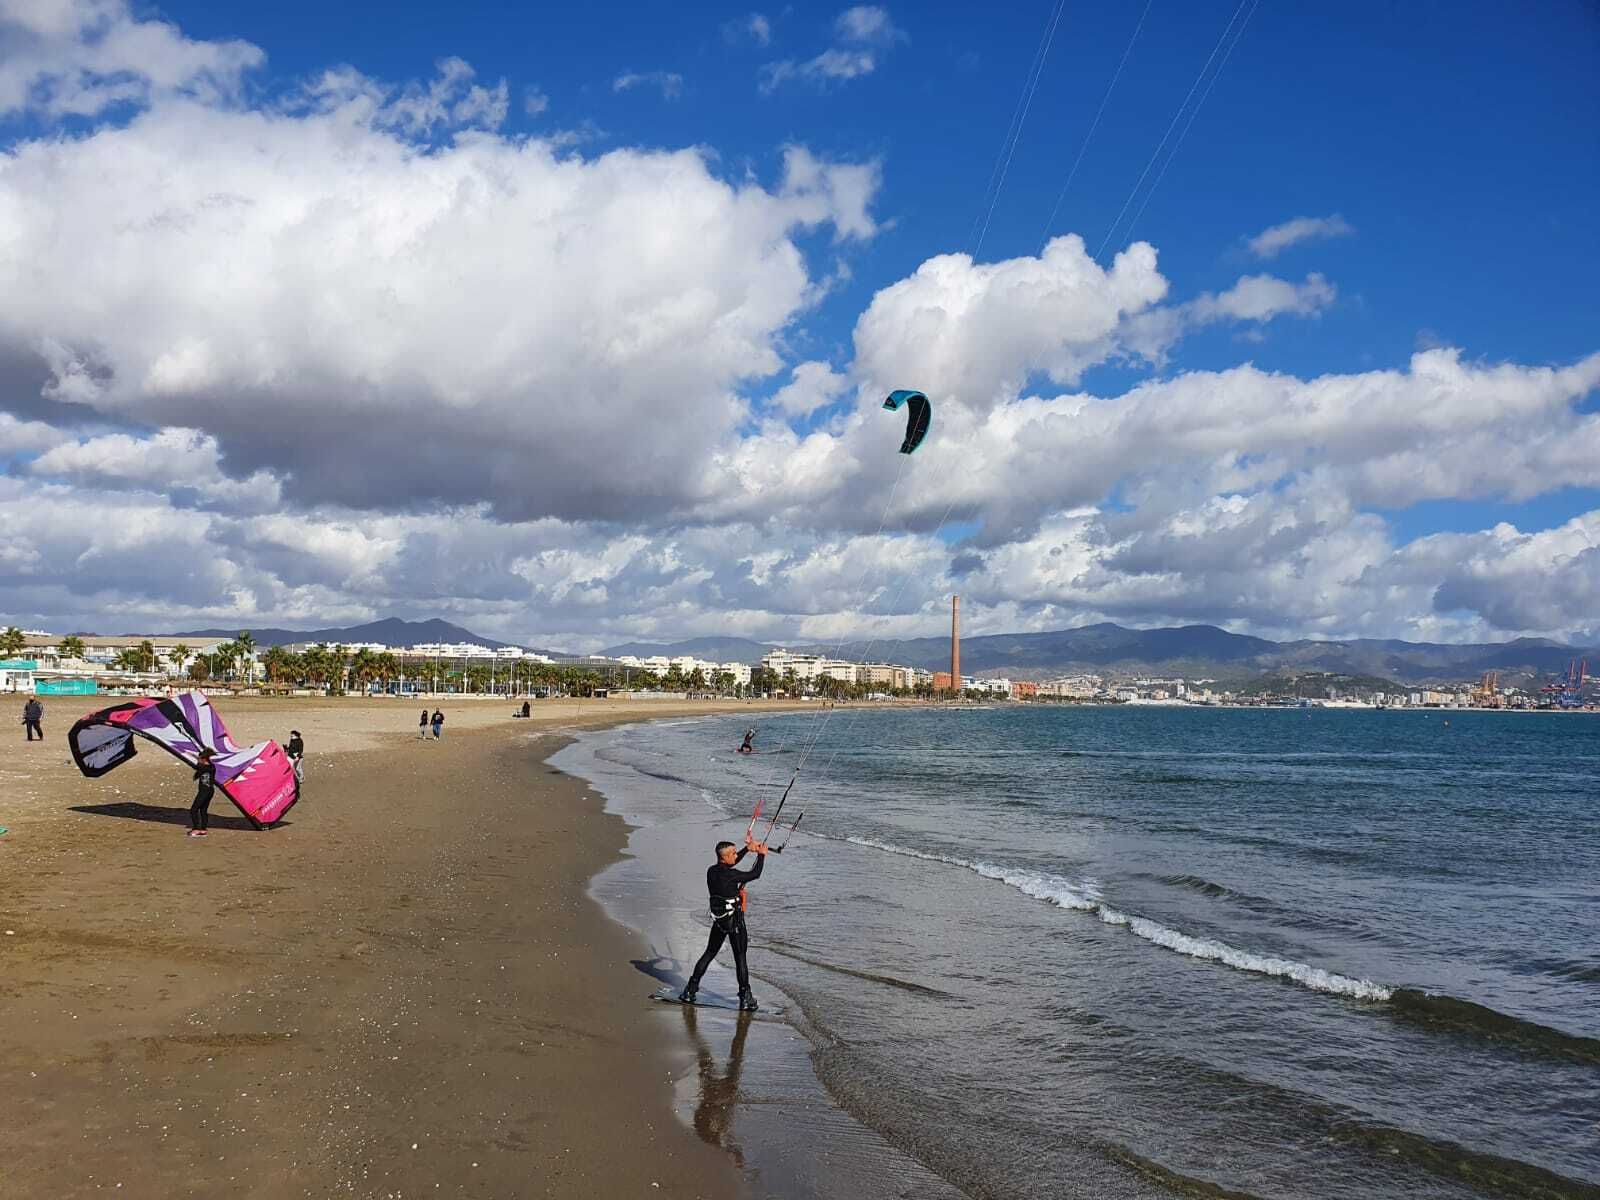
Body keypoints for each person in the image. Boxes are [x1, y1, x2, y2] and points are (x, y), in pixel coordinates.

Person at [681, 831, 767, 1011]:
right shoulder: (731, 875)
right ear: (725, 856)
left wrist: (747, 849)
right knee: (740, 958)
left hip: (719, 920)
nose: (736, 856)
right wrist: (761, 854)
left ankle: (690, 990)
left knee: (709, 953)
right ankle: (746, 998)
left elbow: (731, 865)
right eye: (734, 853)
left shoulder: (712, 871)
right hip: (735, 922)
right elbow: (755, 874)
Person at [188, 748, 216, 838]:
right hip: (209, 791)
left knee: (193, 810)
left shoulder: (208, 767)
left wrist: (190, 757)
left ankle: (196, 829)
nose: (198, 760)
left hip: (205, 791)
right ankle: (203, 829)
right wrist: (197, 758)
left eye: (200, 759)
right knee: (203, 810)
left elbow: (196, 767)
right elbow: (198, 767)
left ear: (204, 759)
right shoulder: (209, 766)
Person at [286, 729, 304, 795]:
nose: (291, 737)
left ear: (296, 736)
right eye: (291, 736)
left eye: (292, 736)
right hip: (291, 756)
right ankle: (290, 778)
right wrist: (287, 749)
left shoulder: (300, 741)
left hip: (298, 757)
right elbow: (291, 748)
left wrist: (298, 757)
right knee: (289, 767)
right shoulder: (292, 740)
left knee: (297, 768)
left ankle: (301, 778)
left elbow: (300, 750)